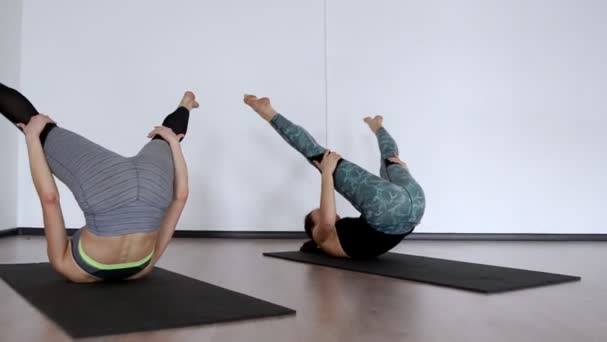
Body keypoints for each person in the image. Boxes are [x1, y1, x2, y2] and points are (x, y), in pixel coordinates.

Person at [0, 83, 197, 282]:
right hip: (106, 184)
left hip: (151, 184)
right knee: (38, 126)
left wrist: (174, 145)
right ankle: (184, 110)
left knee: (165, 136)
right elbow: (50, 198)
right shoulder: (68, 267)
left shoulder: (144, 268)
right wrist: (32, 138)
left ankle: (186, 105)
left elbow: (180, 196)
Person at [244, 94, 425, 259]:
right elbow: (328, 221)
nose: (324, 212)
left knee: (391, 160)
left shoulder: (337, 238)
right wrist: (327, 173)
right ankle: (267, 111)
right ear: (313, 230)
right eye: (320, 213)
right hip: (393, 205)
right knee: (318, 156)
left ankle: (377, 126)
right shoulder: (320, 238)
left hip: (416, 206)